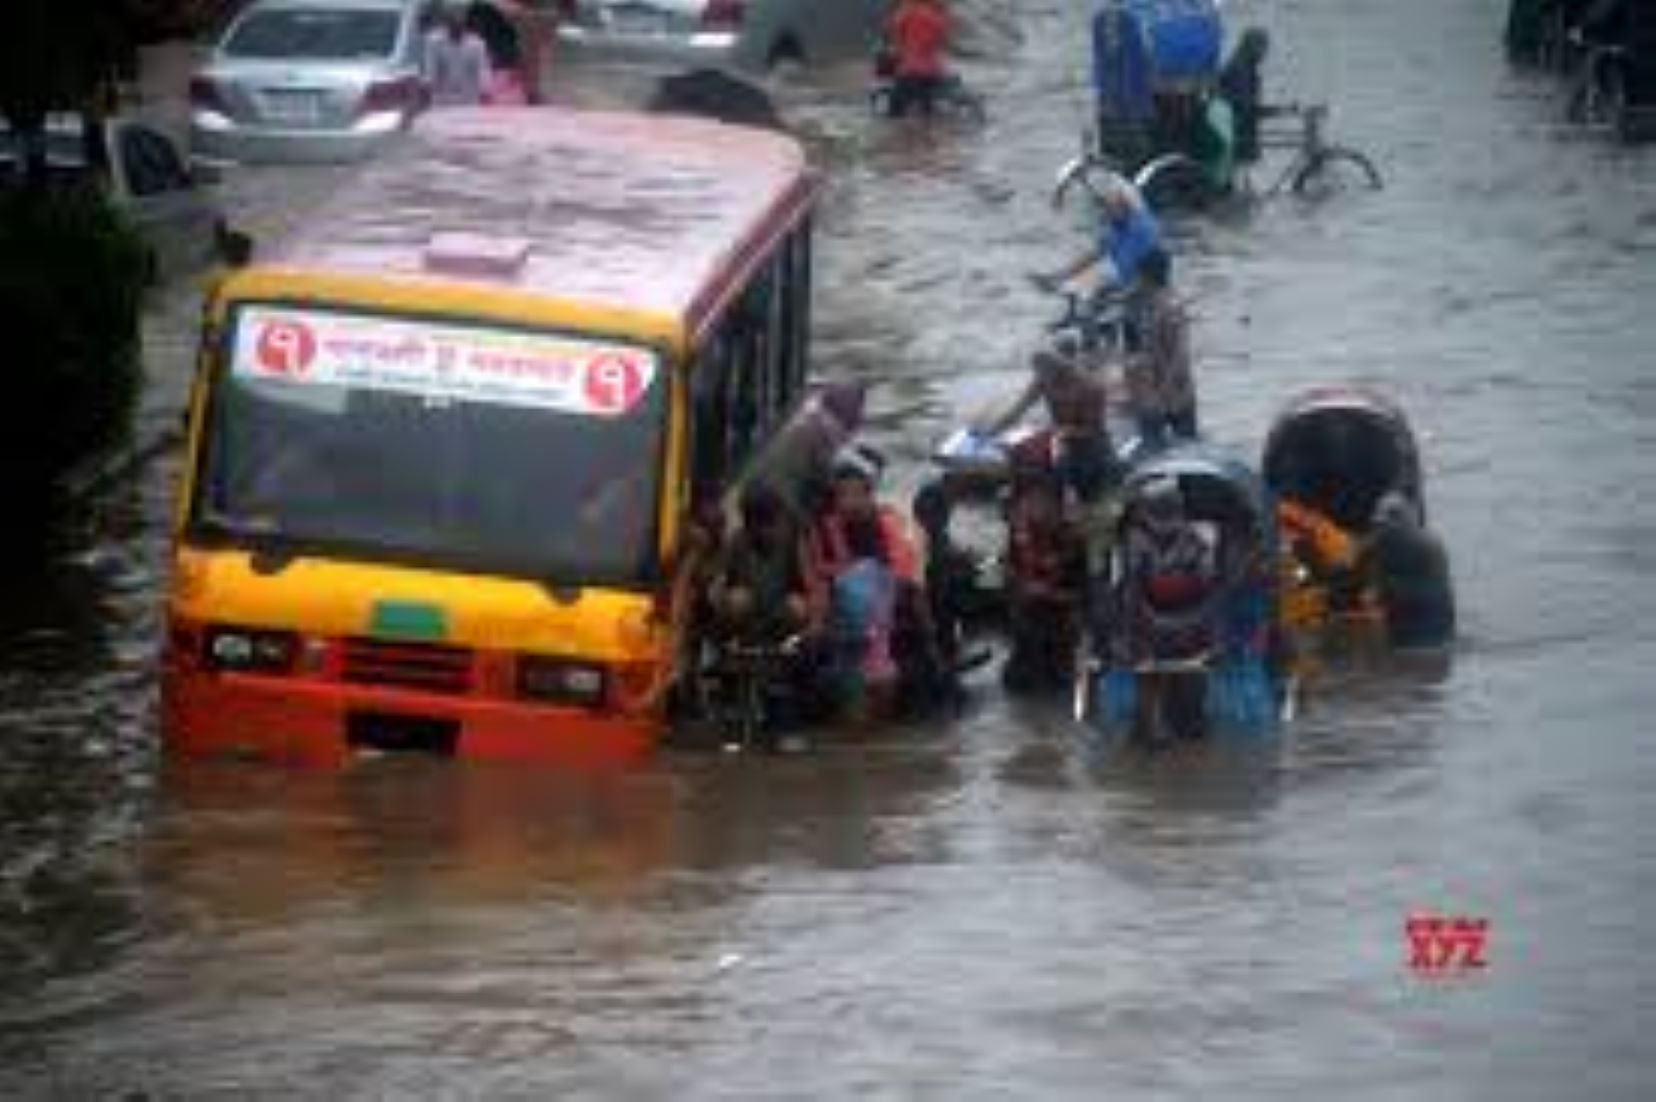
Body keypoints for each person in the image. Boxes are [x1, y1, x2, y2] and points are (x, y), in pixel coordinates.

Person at [975, 346, 1116, 505]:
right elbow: (1019, 408)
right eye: (1038, 373)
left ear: (1059, 369)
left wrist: (1060, 432)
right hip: (1060, 440)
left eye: (1043, 373)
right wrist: (994, 430)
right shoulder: (1044, 379)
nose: (1040, 377)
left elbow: (1093, 431)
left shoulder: (1089, 387)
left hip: (1090, 447)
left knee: (1067, 480)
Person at [1001, 468, 1087, 694]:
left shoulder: (1072, 533)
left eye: (1040, 498)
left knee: (1060, 674)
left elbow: (1081, 586)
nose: (1032, 505)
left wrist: (1054, 594)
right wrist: (1021, 585)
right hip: (1029, 610)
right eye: (1030, 498)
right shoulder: (1021, 525)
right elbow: (1011, 565)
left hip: (1058, 612)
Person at [1035, 172, 1164, 309]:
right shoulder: (1116, 229)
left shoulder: (1140, 227)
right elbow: (1092, 255)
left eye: (1110, 208)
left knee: (1086, 290)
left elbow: (1124, 273)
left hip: (1144, 280)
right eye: (1104, 208)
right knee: (1078, 288)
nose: (1106, 213)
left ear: (1124, 206)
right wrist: (1058, 276)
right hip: (1128, 281)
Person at [1122, 248, 1197, 450]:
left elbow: (1180, 354)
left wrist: (1161, 391)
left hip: (1166, 396)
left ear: (1145, 276)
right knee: (1184, 452)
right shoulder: (1149, 303)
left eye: (1138, 275)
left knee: (1163, 454)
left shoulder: (1168, 308)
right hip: (1164, 394)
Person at [1362, 492, 1456, 648]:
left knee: (1425, 651)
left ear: (1406, 520)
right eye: (1380, 522)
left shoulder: (1428, 547)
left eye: (1391, 519)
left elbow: (1428, 592)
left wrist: (1384, 590)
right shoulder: (1382, 543)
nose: (1383, 526)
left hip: (1430, 625)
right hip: (1401, 623)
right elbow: (1377, 574)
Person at [1218, 27, 1287, 166]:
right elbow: (1245, 105)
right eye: (1261, 47)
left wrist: (1278, 110)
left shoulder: (1244, 65)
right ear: (1251, 46)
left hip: (1238, 130)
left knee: (1242, 178)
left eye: (1265, 47)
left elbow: (1246, 104)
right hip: (1237, 132)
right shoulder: (1240, 69)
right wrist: (1275, 111)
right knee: (1238, 177)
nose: (1264, 53)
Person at [884, 0, 952, 118]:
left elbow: (894, 36)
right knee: (926, 113)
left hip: (910, 71)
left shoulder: (906, 12)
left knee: (894, 115)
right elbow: (943, 41)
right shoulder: (938, 15)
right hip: (934, 72)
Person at [424, 10, 491, 107]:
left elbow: (483, 69)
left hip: (468, 99)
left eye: (460, 25)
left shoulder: (477, 44)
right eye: (453, 24)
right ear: (447, 24)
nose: (456, 28)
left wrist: (485, 89)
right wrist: (428, 85)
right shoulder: (434, 42)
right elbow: (430, 69)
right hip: (442, 99)